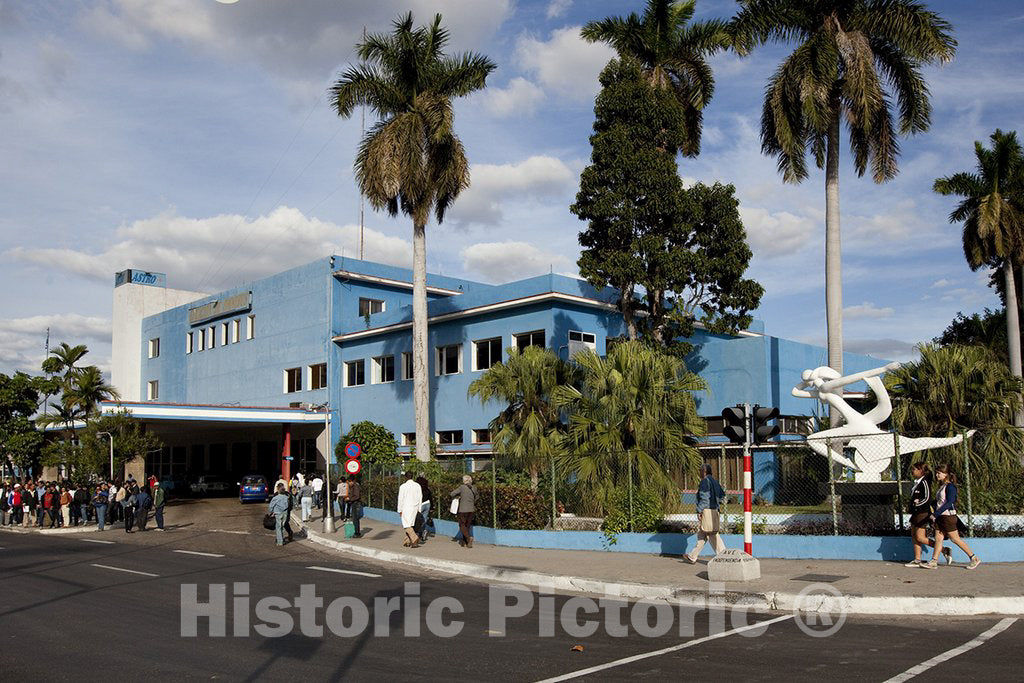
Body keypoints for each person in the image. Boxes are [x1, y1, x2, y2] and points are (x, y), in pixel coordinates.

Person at [923, 464, 981, 570]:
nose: (937, 475)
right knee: (938, 538)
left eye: (939, 473)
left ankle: (974, 558)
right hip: (941, 517)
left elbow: (950, 502)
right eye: (936, 473)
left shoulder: (950, 487)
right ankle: (934, 561)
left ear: (946, 474)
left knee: (955, 539)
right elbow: (939, 502)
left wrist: (936, 513)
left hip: (948, 517)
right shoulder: (942, 486)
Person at [904, 462, 950, 567]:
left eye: (915, 469)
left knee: (920, 537)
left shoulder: (925, 482)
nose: (912, 471)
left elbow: (927, 498)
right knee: (914, 536)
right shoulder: (917, 482)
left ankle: (944, 550)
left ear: (921, 471)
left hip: (922, 512)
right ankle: (917, 559)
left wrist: (917, 504)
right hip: (916, 513)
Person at [685, 464, 728, 563]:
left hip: (707, 511)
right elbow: (722, 495)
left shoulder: (704, 481)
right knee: (702, 534)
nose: (699, 472)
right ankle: (692, 556)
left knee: (711, 534)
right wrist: (716, 502)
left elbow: (704, 498)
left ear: (704, 471)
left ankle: (724, 556)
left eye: (700, 471)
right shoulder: (715, 482)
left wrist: (699, 510)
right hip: (714, 510)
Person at [450, 475, 479, 548]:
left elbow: (452, 493)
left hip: (463, 510)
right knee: (467, 525)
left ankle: (469, 539)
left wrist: (459, 496)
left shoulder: (462, 487)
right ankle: (464, 541)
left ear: (464, 481)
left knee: (462, 525)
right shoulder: (474, 487)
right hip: (471, 509)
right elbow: (477, 497)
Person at [397, 471, 423, 547]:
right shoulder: (417, 485)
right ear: (412, 476)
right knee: (411, 524)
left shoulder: (403, 486)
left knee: (406, 525)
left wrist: (399, 510)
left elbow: (400, 499)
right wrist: (419, 508)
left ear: (405, 477)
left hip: (406, 508)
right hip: (415, 507)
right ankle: (407, 541)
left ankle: (414, 538)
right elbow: (420, 497)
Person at [416, 475, 435, 540]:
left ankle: (417, 533)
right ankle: (423, 532)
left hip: (420, 505)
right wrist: (432, 508)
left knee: (417, 519)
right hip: (427, 504)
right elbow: (431, 498)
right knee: (424, 519)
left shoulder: (418, 489)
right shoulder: (427, 489)